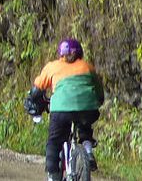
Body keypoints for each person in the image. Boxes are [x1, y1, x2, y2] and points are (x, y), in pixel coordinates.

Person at [28, 38, 104, 180]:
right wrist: (97, 102)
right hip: (88, 108)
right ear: (80, 52)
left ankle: (53, 175)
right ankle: (87, 150)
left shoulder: (52, 67)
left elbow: (36, 90)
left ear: (60, 54)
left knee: (54, 141)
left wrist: (33, 103)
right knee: (84, 124)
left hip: (61, 110)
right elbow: (99, 91)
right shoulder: (88, 67)